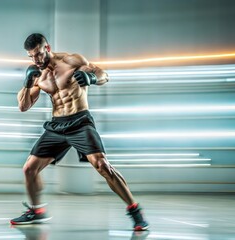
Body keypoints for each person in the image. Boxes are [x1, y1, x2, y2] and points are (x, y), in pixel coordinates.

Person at [10, 33, 149, 231]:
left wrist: (91, 77)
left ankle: (135, 211)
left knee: (103, 166)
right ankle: (36, 211)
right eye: (31, 56)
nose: (36, 60)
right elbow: (23, 106)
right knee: (29, 169)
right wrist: (26, 83)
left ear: (47, 48)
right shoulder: (37, 75)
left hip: (80, 121)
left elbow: (104, 75)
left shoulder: (71, 60)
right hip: (57, 125)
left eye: (39, 54)